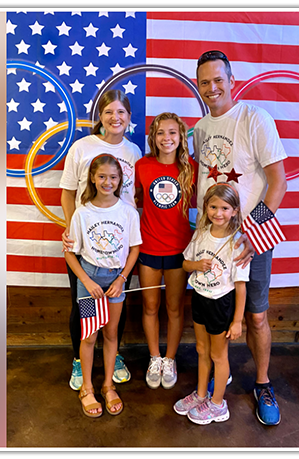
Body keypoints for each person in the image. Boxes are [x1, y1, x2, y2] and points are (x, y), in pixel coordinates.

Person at [192, 50, 288, 426]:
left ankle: (263, 383)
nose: (212, 88)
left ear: (231, 80)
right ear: (198, 87)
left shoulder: (255, 118)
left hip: (249, 240)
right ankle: (219, 372)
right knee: (213, 313)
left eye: (219, 80)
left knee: (256, 314)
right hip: (210, 240)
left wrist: (254, 232)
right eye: (205, 82)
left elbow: (278, 182)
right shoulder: (199, 129)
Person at [59, 90, 142, 391]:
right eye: (108, 112)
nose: (115, 118)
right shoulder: (82, 147)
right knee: (82, 303)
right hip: (86, 245)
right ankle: (80, 361)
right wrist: (73, 229)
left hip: (120, 247)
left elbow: (136, 197)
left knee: (115, 300)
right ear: (100, 117)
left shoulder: (134, 152)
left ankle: (113, 353)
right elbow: (68, 192)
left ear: (129, 118)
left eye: (121, 112)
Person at [64, 154, 142, 417]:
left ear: (120, 180)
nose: (107, 182)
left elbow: (134, 249)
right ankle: (87, 387)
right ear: (92, 179)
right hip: (89, 281)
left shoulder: (128, 212)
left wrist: (122, 279)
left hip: (115, 282)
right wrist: (85, 281)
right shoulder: (82, 214)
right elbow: (70, 253)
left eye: (113, 177)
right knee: (89, 336)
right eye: (102, 177)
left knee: (111, 334)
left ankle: (108, 384)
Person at [173, 183, 248, 425]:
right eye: (213, 206)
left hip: (220, 304)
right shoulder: (201, 233)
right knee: (201, 350)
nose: (218, 213)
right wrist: (196, 266)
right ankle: (201, 394)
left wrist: (237, 321)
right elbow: (186, 264)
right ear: (205, 207)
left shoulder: (237, 244)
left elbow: (240, 286)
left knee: (218, 355)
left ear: (235, 211)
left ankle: (217, 404)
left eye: (225, 208)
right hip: (199, 297)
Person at [134, 112, 198, 390]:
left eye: (172, 132)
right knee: (150, 306)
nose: (167, 138)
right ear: (153, 137)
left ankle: (170, 358)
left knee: (174, 307)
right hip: (148, 246)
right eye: (161, 133)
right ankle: (154, 357)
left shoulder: (191, 168)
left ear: (181, 137)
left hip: (179, 250)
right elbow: (134, 199)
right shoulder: (142, 165)